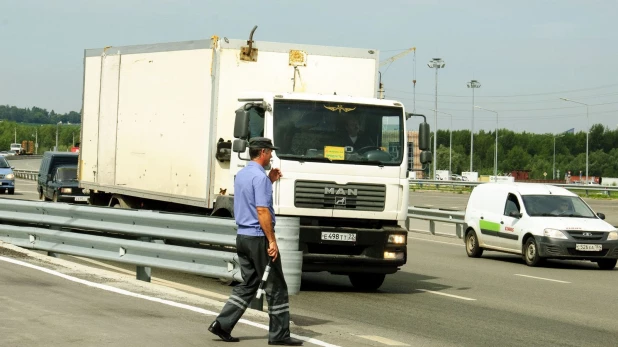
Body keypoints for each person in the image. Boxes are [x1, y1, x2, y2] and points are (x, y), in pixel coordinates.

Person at [208, 137, 303, 346]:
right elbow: (261, 210)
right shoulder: (259, 178)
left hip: (243, 237)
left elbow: (250, 199)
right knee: (277, 287)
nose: (272, 156)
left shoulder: (242, 175)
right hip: (259, 238)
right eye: (270, 152)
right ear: (262, 152)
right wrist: (272, 241)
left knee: (249, 283)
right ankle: (279, 335)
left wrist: (269, 180)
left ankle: (222, 324)